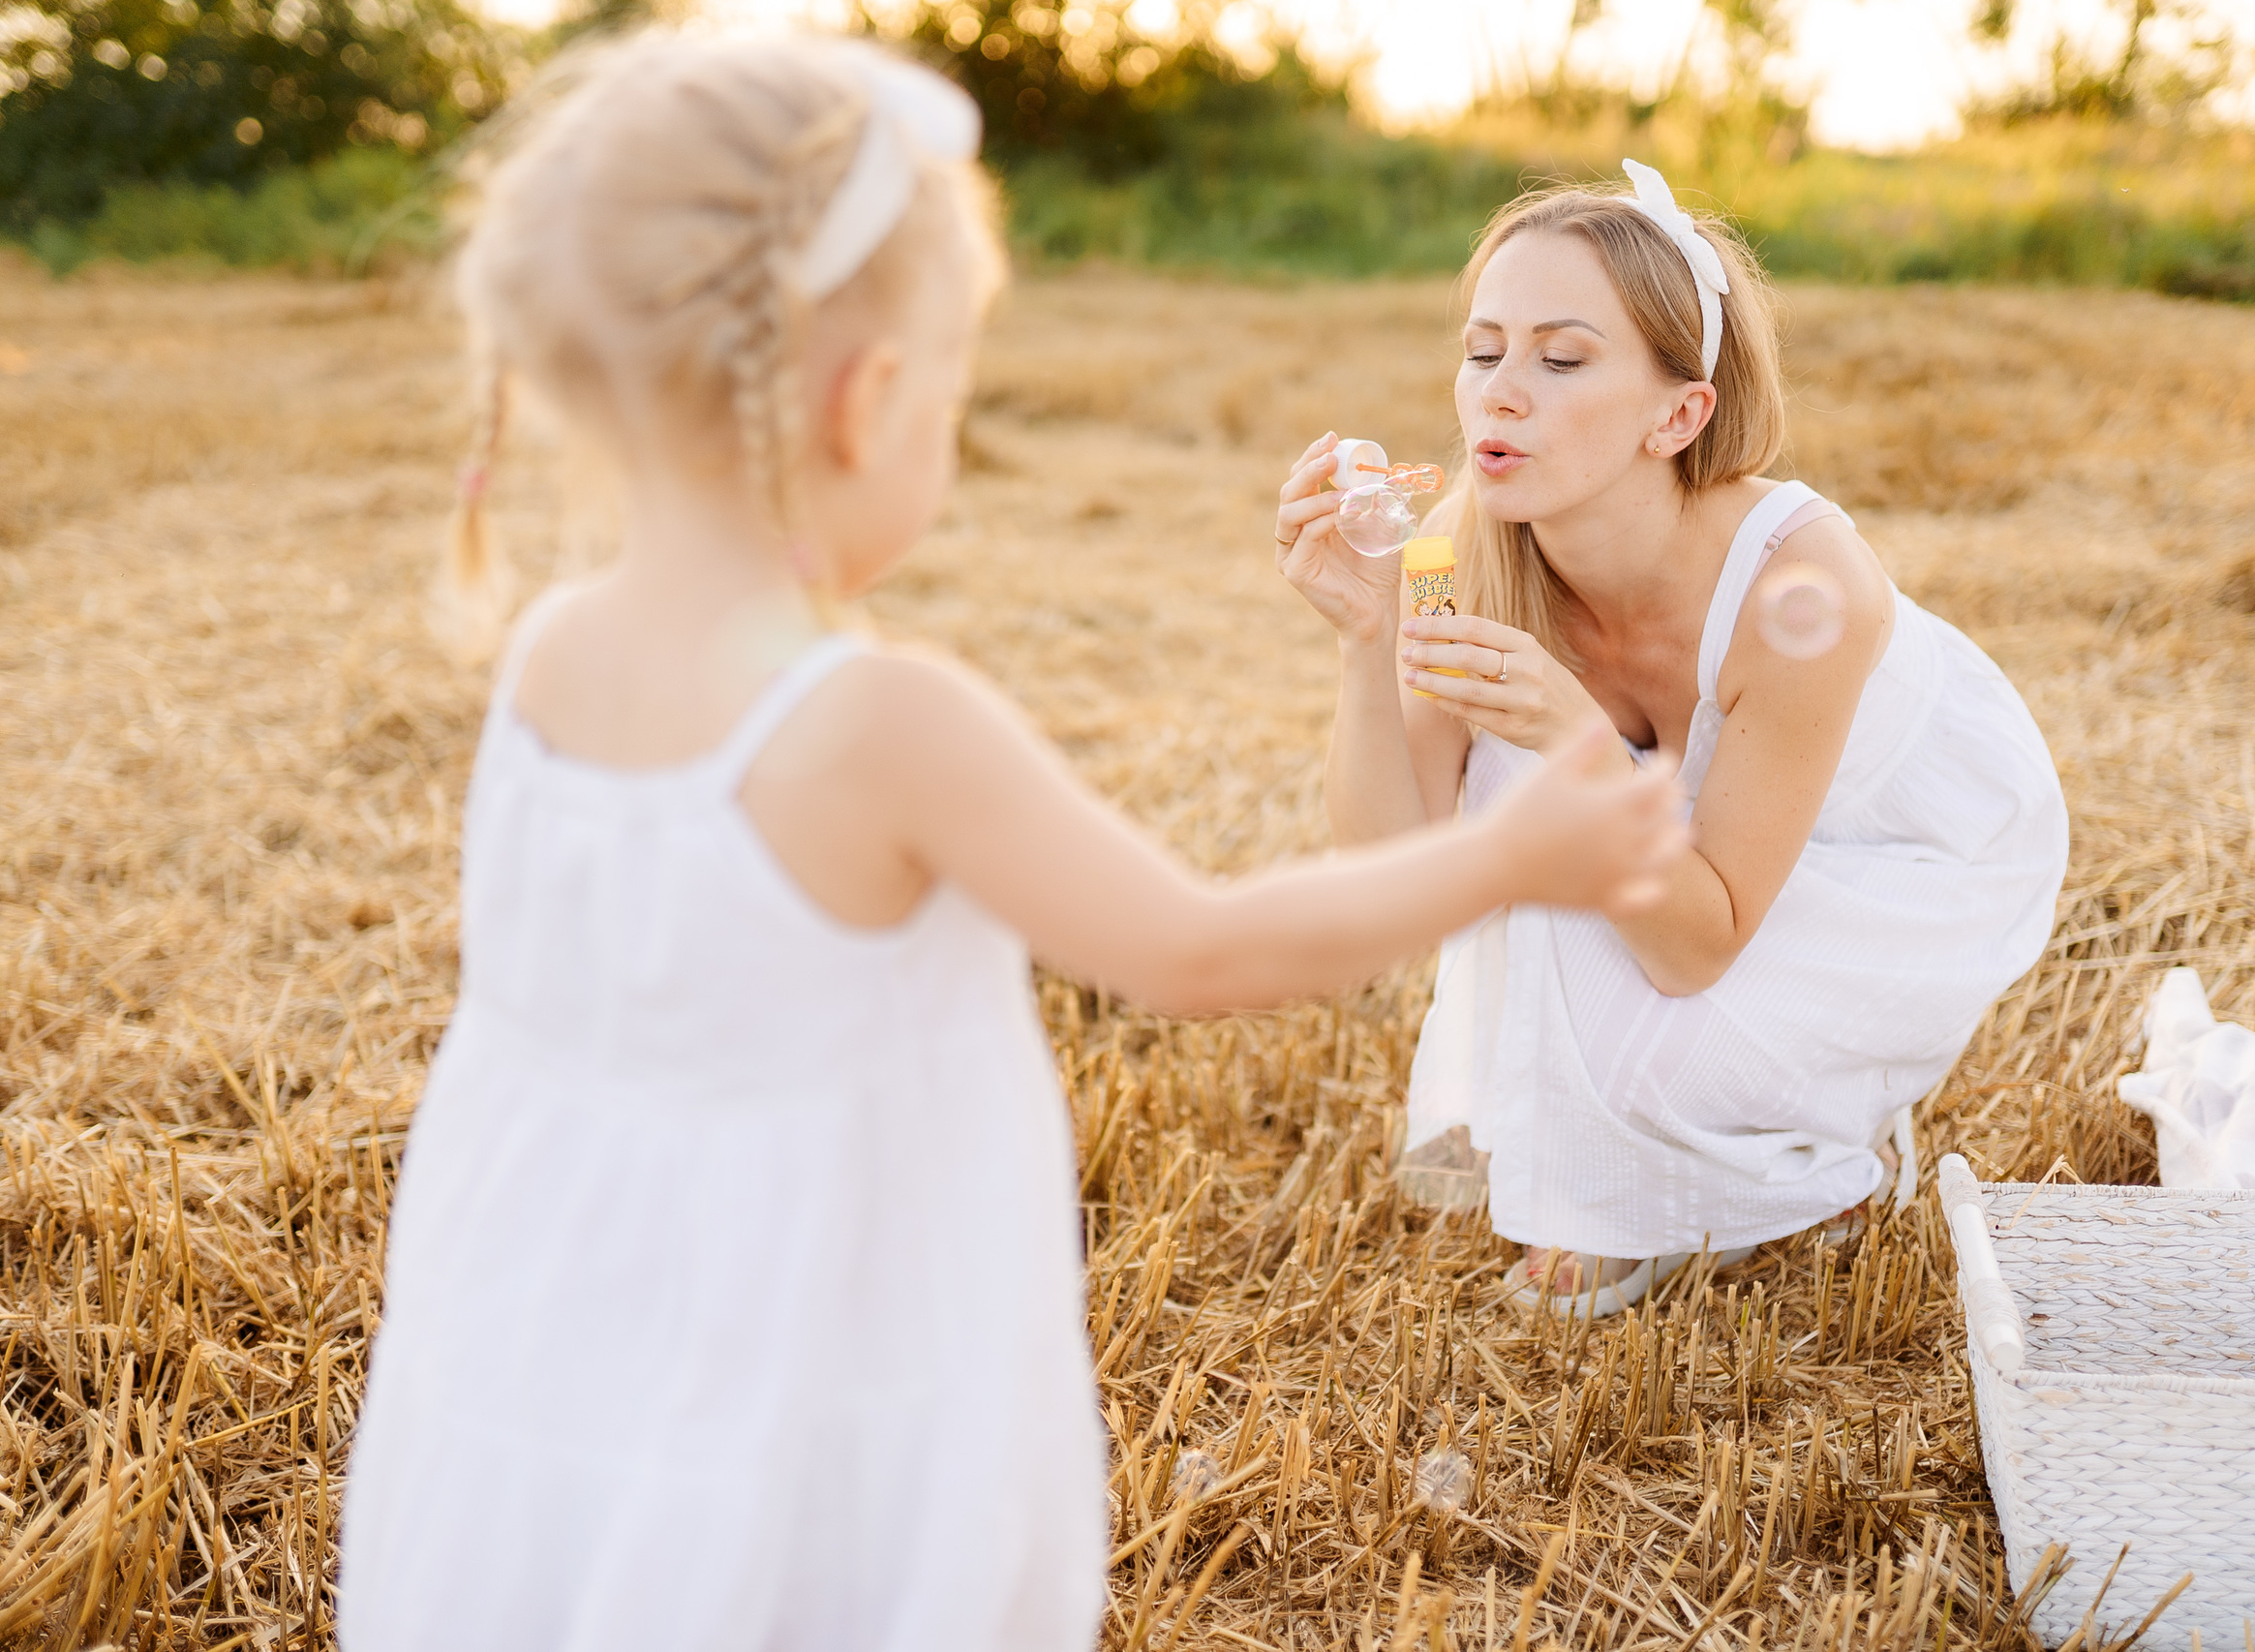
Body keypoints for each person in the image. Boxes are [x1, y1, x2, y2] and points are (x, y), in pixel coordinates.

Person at [334, 34, 1689, 1652]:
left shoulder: (554, 650)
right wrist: (1507, 856)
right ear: (872, 398)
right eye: (956, 391)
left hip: (555, 1306)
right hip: (796, 1331)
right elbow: (1198, 948)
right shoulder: (884, 723)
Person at [1274, 164, 2068, 1320]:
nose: (1499, 392)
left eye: (1560, 357)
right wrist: (1362, 636)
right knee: (1517, 790)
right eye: (1482, 348)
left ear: (1677, 413)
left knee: (1562, 818)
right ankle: (1649, 1184)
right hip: (1682, 867)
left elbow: (1695, 949)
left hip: (1882, 868)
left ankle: (1812, 1150)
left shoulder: (1802, 581)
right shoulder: (1472, 549)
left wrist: (1574, 737)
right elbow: (1393, 876)